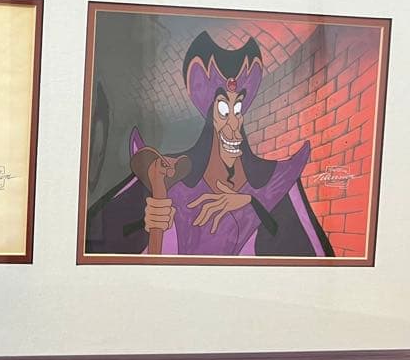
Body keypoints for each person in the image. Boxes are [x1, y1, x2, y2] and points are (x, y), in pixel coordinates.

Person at [85, 31, 332, 258]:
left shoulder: (275, 180)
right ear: (208, 109)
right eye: (223, 109)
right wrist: (145, 224)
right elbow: (97, 237)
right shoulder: (167, 172)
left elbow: (308, 254)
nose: (233, 124)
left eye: (238, 108)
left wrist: (250, 204)